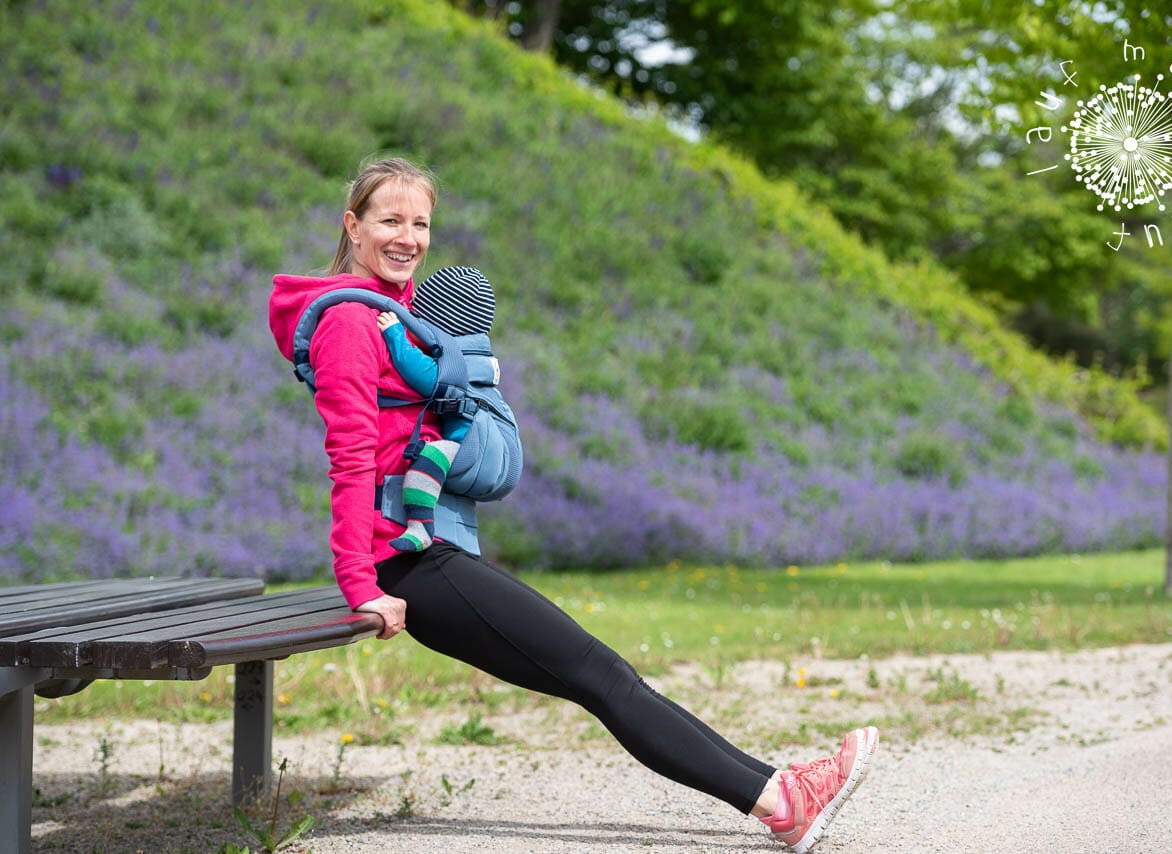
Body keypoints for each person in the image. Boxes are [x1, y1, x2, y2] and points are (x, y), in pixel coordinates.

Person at [267, 157, 878, 853]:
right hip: (405, 565)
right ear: (353, 225)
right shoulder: (351, 321)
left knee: (601, 675)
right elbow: (349, 459)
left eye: (421, 222)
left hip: (426, 552)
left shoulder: (391, 314)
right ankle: (783, 801)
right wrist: (361, 587)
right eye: (390, 220)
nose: (408, 237)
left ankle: (783, 793)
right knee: (600, 675)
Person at [374, 264, 499, 552]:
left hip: (464, 442)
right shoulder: (478, 355)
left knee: (428, 459)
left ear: (441, 323)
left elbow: (425, 375)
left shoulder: (459, 362)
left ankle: (420, 527)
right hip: (470, 438)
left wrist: (395, 334)